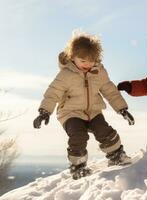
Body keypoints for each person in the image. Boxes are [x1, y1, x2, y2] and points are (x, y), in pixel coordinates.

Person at [33, 31, 134, 180]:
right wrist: (44, 111)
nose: (87, 64)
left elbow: (110, 91)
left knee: (104, 131)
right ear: (72, 57)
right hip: (70, 113)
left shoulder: (99, 72)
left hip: (93, 111)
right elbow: (53, 93)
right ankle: (78, 167)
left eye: (91, 61)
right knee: (78, 136)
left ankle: (116, 155)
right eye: (82, 61)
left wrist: (122, 109)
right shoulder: (66, 74)